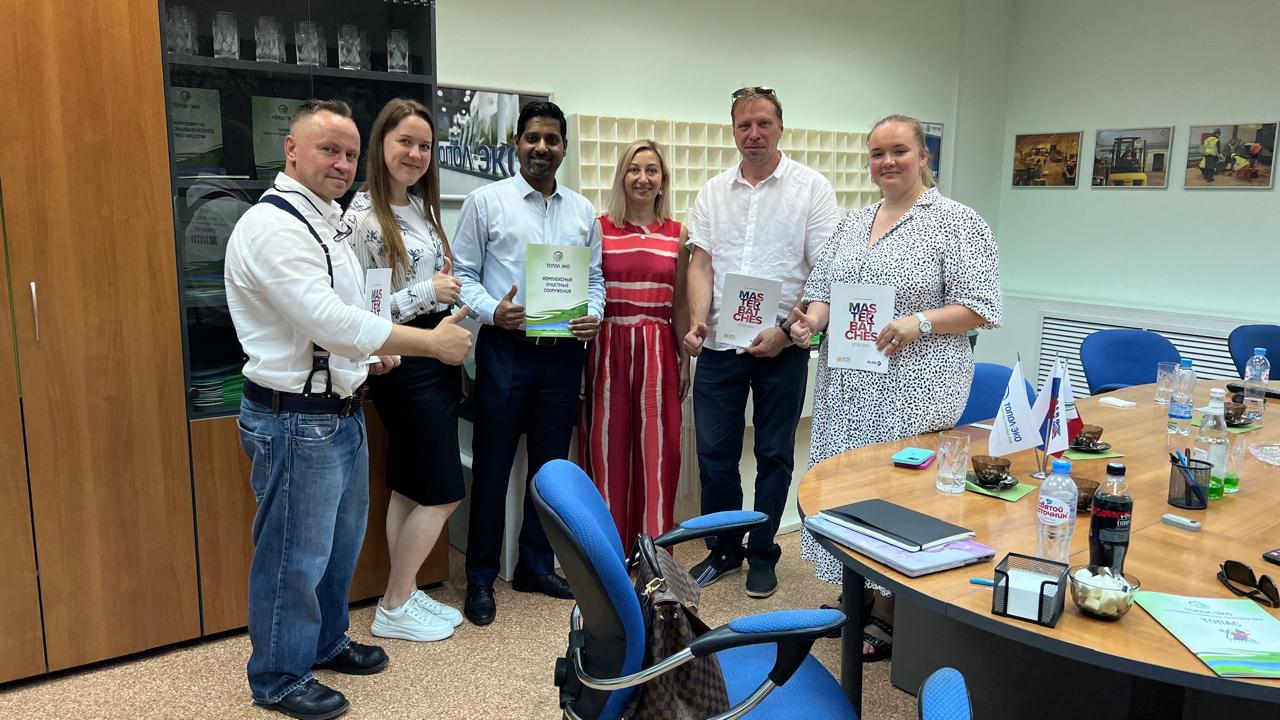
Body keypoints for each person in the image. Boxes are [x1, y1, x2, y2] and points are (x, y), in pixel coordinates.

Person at [225, 99, 472, 719]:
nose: (341, 163)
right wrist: (429, 345)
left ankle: (327, 641)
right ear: (292, 150)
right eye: (328, 150)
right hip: (293, 418)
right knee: (294, 554)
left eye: (349, 154)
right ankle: (279, 676)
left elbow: (356, 310)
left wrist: (369, 359)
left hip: (340, 408)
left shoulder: (331, 220)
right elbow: (330, 320)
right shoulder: (273, 227)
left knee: (338, 547)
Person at [788, 114, 1003, 662]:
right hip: (847, 386)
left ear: (923, 157)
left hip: (915, 384)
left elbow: (981, 306)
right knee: (846, 486)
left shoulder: (957, 222)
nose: (887, 162)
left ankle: (891, 609)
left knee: (895, 494)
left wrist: (920, 322)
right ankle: (855, 595)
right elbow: (825, 293)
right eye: (877, 153)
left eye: (899, 151)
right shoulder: (852, 223)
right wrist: (811, 322)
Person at [682, 86, 841, 599]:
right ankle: (724, 549)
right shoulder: (713, 192)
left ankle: (763, 552)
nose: (753, 134)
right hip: (718, 345)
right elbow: (701, 263)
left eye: (763, 124)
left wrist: (790, 331)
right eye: (744, 125)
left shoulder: (811, 189)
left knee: (774, 454)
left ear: (780, 128)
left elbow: (826, 269)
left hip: (783, 346)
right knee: (714, 456)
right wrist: (697, 320)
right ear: (733, 131)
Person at [452, 100, 605, 626]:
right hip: (506, 351)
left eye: (552, 140)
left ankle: (535, 566)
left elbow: (594, 279)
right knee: (492, 467)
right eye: (533, 138)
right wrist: (492, 311)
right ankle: (480, 576)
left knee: (549, 470)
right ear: (516, 143)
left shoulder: (582, 212)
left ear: (564, 147)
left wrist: (594, 314)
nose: (542, 148)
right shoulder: (485, 202)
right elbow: (463, 275)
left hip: (562, 355)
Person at [344, 98, 466, 642]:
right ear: (381, 145)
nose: (415, 154)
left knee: (411, 488)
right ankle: (393, 604)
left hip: (433, 360)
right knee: (444, 491)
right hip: (404, 365)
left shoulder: (420, 208)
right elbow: (360, 314)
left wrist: (448, 289)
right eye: (405, 142)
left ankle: (405, 591)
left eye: (424, 146)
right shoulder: (362, 219)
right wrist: (429, 291)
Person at [578, 139, 690, 546]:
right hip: (608, 348)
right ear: (622, 177)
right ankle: (608, 556)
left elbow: (680, 303)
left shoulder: (678, 234)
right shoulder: (599, 228)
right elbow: (586, 292)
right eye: (634, 169)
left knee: (658, 456)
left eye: (651, 171)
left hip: (658, 351)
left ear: (663, 180)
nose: (643, 179)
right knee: (607, 454)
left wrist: (684, 360)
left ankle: (653, 559)